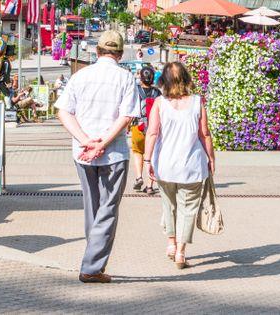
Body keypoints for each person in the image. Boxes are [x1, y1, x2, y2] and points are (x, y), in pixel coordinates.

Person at [55, 29, 139, 284]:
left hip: (82, 153)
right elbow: (127, 117)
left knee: (92, 206)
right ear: (120, 54)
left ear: (97, 51)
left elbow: (62, 112)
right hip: (113, 154)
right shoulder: (126, 78)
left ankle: (94, 260)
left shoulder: (80, 76)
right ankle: (92, 267)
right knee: (108, 208)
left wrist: (86, 141)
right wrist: (103, 142)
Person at [144, 62, 214, 270]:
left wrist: (147, 161)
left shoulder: (159, 103)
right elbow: (205, 134)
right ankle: (181, 252)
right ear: (186, 78)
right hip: (191, 166)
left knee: (169, 205)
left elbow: (153, 133)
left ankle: (171, 244)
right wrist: (211, 157)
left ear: (163, 81)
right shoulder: (197, 102)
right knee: (188, 209)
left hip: (165, 166)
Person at [130, 64, 160, 194]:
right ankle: (149, 186)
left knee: (137, 152)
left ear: (140, 78)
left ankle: (138, 177)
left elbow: (130, 109)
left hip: (138, 126)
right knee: (152, 155)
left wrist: (127, 126)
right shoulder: (157, 93)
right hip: (153, 128)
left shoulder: (135, 91)